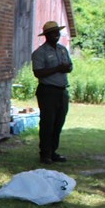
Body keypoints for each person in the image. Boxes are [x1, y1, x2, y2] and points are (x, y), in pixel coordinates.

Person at [31, 20, 73, 165]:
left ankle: (53, 151)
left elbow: (69, 66)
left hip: (62, 91)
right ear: (47, 35)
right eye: (53, 33)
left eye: (57, 32)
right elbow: (38, 72)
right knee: (48, 123)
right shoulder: (40, 53)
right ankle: (45, 154)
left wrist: (66, 67)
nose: (56, 35)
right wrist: (56, 68)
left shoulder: (62, 49)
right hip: (47, 91)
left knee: (58, 122)